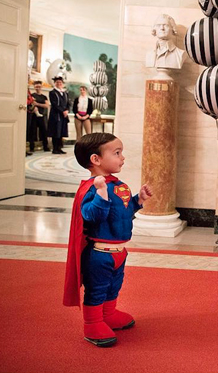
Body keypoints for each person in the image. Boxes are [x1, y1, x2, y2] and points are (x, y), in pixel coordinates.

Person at [63, 133, 153, 347]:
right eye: (117, 153)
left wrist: (138, 200)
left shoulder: (119, 185)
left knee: (114, 285)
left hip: (119, 252)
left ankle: (109, 313)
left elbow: (123, 212)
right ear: (96, 159)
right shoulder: (92, 188)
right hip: (99, 254)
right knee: (97, 288)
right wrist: (101, 194)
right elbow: (91, 216)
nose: (122, 158)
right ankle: (92, 323)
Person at [48, 76, 70, 154]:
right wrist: (62, 111)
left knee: (61, 132)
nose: (59, 84)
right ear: (55, 83)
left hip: (64, 115)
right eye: (57, 82)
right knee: (55, 132)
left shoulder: (65, 93)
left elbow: (68, 103)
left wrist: (67, 110)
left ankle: (59, 148)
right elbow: (54, 104)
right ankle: (55, 149)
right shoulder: (52, 93)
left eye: (60, 82)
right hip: (56, 115)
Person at [28, 80, 50, 153]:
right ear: (34, 87)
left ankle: (46, 147)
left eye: (39, 86)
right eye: (36, 86)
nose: (38, 87)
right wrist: (38, 104)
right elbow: (31, 103)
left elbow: (47, 105)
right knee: (32, 132)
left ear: (41, 87)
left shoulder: (44, 97)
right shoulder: (32, 95)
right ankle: (31, 147)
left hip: (42, 116)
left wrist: (37, 104)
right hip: (33, 116)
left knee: (44, 131)